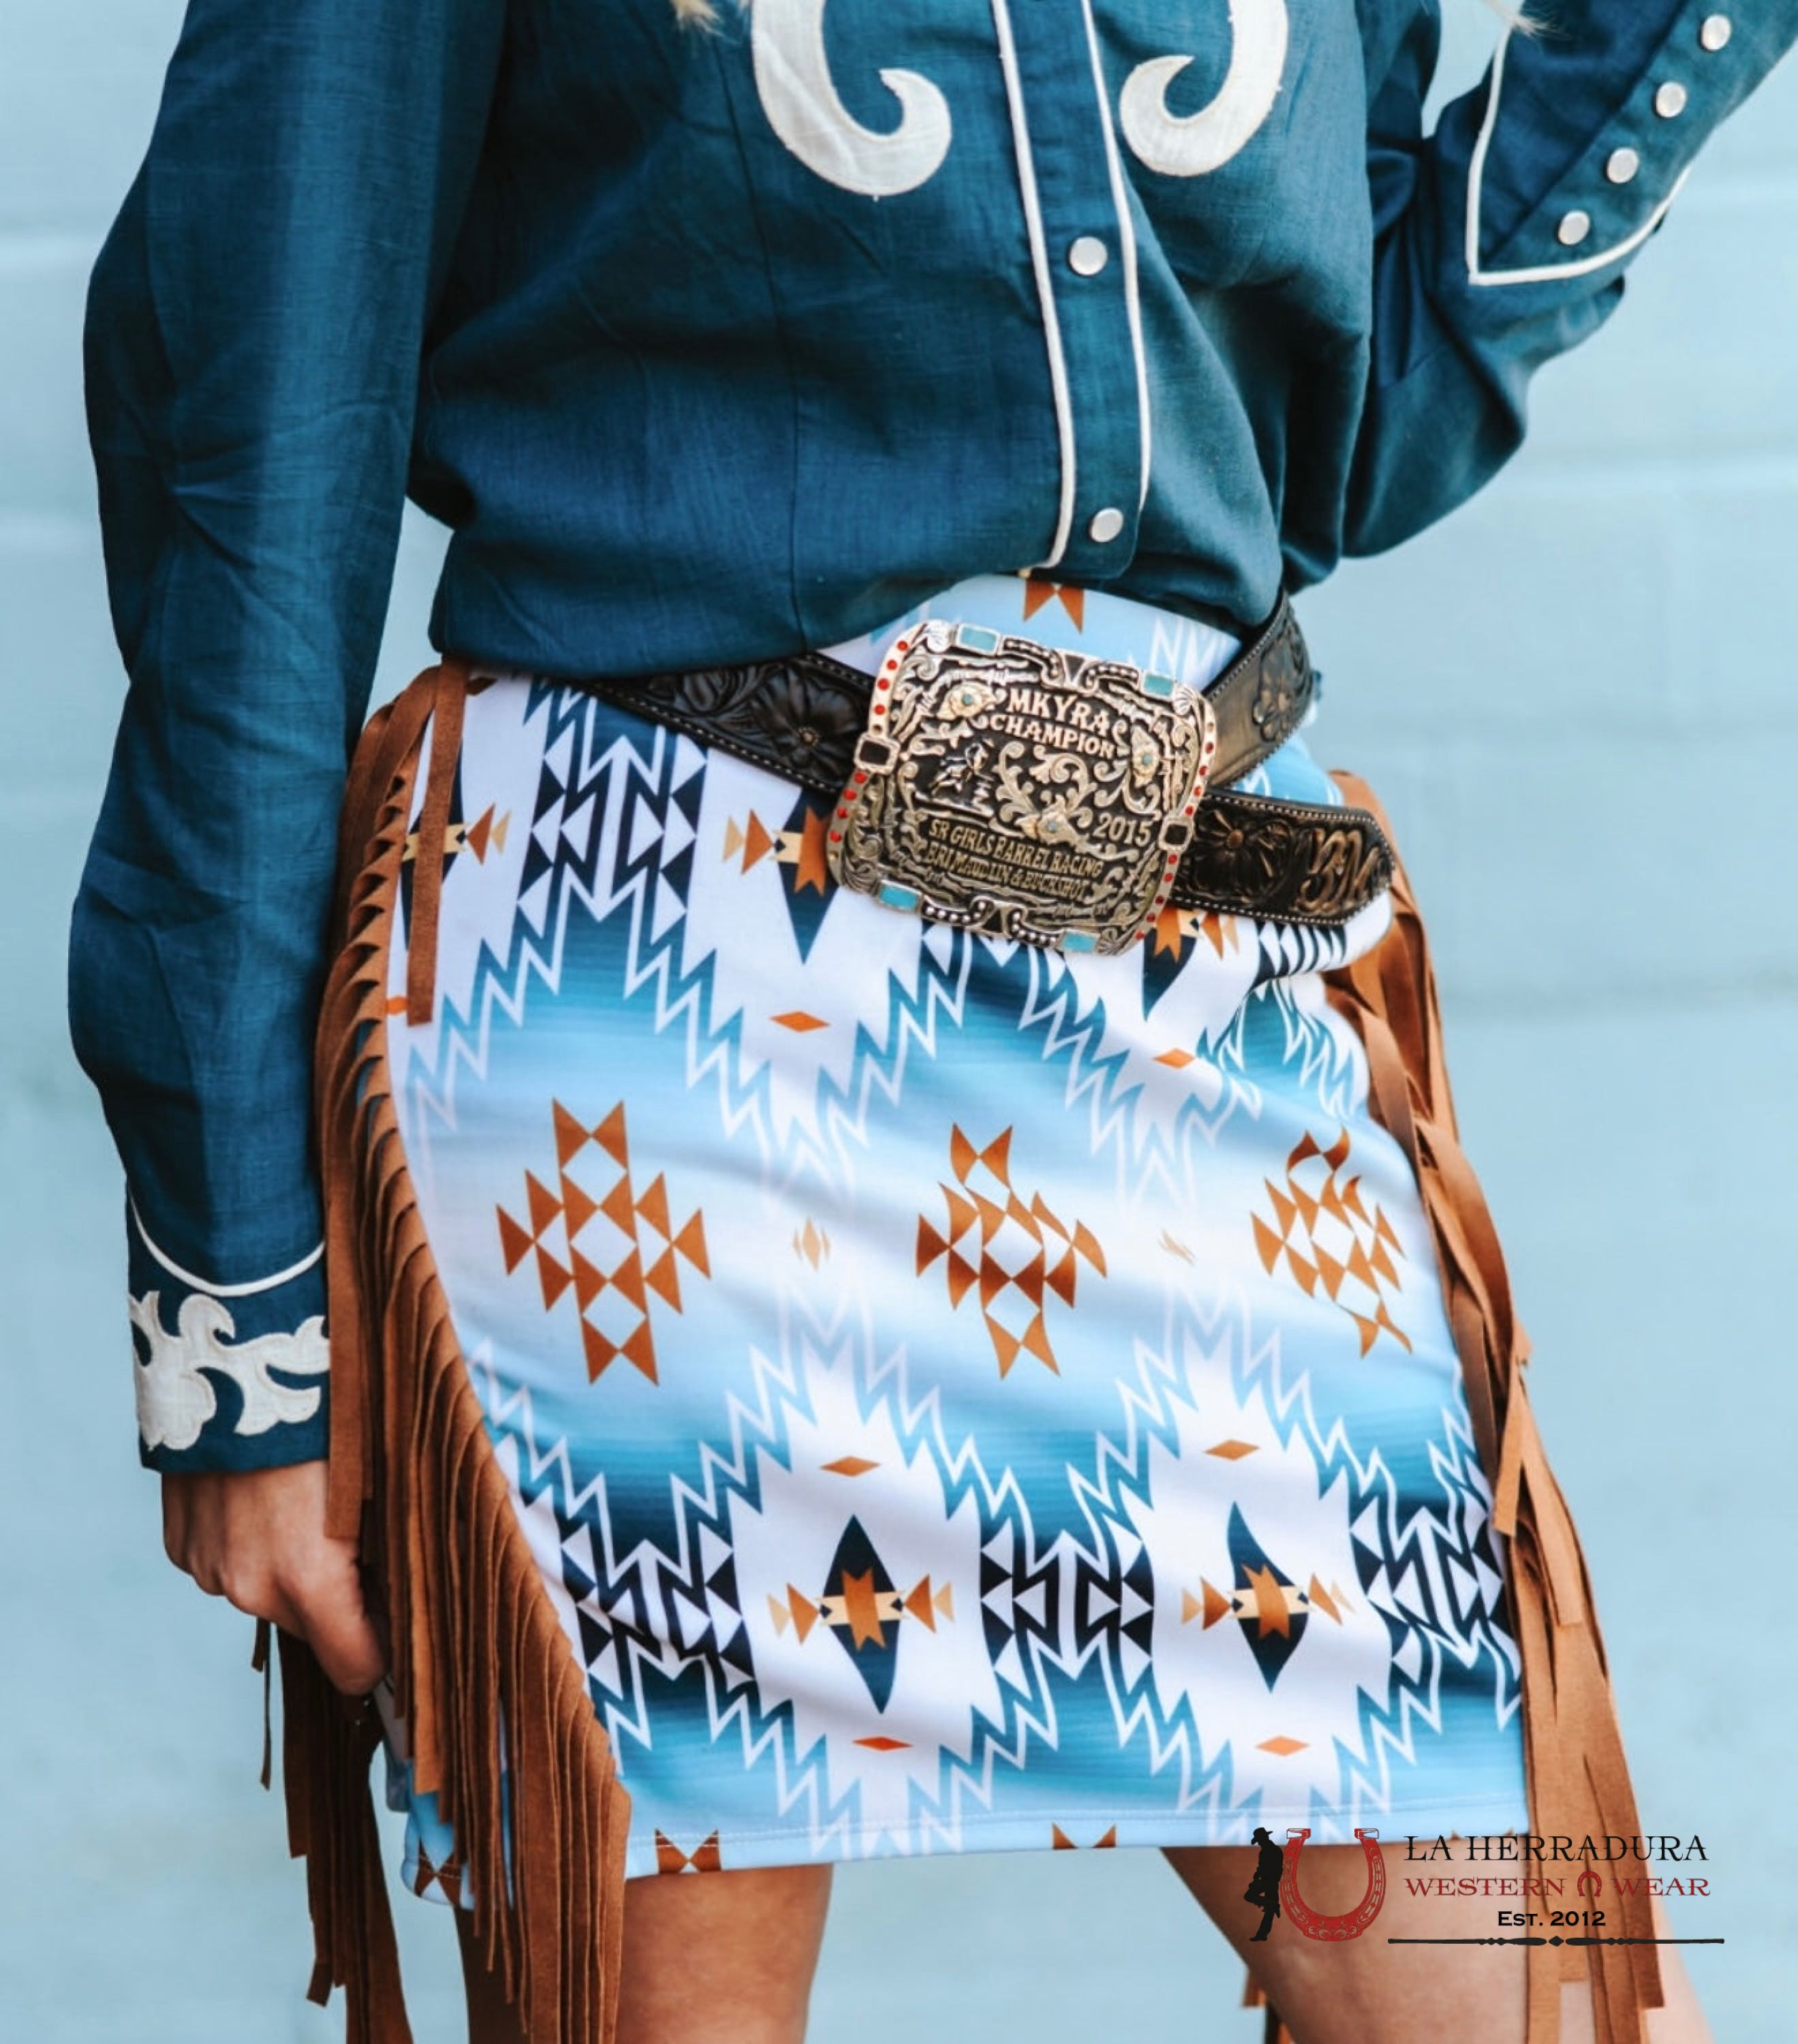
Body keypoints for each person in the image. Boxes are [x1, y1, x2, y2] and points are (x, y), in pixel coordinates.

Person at [72, 3, 1795, 2042]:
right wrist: (235, 1318)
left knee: (1564, 2009)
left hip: (1200, 995)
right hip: (652, 1047)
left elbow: (1349, 432)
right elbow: (252, 459)